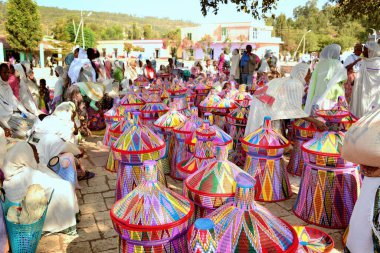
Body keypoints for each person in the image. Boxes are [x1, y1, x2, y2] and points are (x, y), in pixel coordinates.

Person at [1, 141, 79, 233]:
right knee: (66, 187)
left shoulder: (16, 172)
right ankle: (66, 224)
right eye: (35, 153)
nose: (38, 155)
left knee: (65, 186)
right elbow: (49, 184)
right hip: (27, 208)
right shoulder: (25, 173)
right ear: (27, 155)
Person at [245, 63, 327, 134]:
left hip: (261, 104)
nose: (310, 76)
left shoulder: (288, 80)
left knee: (262, 134)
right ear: (301, 74)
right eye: (308, 74)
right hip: (266, 108)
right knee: (271, 138)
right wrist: (316, 121)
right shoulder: (296, 84)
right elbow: (295, 110)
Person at [304, 44, 347, 115]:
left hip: (320, 96)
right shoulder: (339, 64)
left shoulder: (320, 64)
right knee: (334, 118)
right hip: (335, 96)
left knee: (320, 117)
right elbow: (344, 79)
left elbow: (314, 80)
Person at [0, 63, 35, 138]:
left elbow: (14, 101)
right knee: (26, 132)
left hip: (13, 115)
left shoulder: (7, 86)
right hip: (5, 121)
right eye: (4, 72)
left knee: (33, 122)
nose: (7, 74)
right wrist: (6, 127)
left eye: (8, 72)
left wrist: (24, 112)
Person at [350, 41, 380, 118]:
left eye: (365, 50)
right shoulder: (364, 62)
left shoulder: (375, 62)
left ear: (371, 51)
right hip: (364, 92)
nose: (363, 52)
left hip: (375, 93)